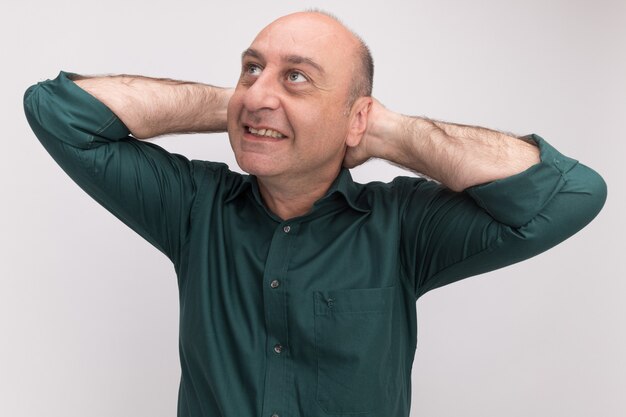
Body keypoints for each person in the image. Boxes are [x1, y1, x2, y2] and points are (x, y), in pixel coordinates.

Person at [23, 10, 606, 417]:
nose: (258, 90)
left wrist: (391, 133)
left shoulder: (403, 228)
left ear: (357, 117)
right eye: (252, 67)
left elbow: (570, 195)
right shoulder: (195, 207)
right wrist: (241, 107)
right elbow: (57, 111)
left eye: (296, 76)